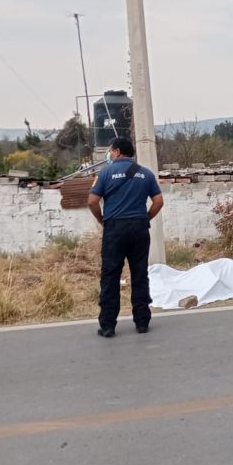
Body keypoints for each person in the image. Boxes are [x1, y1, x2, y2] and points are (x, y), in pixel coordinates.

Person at [87, 137, 164, 337]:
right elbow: (158, 201)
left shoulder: (105, 174)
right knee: (139, 274)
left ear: (118, 152)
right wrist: (146, 217)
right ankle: (142, 322)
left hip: (114, 228)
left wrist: (102, 219)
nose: (110, 154)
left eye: (111, 151)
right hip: (139, 228)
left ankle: (108, 325)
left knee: (110, 275)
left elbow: (92, 201)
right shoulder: (146, 174)